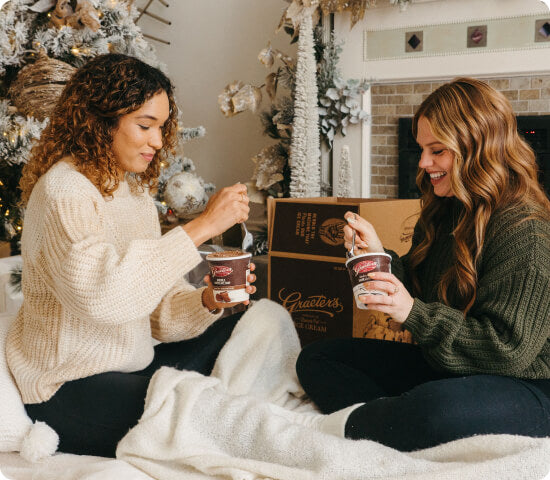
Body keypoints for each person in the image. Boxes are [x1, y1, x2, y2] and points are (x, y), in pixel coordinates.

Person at [6, 53, 256, 458]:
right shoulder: (63, 191)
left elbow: (155, 314)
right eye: (145, 126)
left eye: (162, 127)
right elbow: (103, 298)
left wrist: (207, 301)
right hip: (68, 386)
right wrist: (203, 226)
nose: (158, 142)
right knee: (209, 417)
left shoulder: (135, 194)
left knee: (248, 320)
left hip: (131, 364)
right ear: (100, 122)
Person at [296, 77, 550, 451]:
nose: (424, 163)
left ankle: (381, 425)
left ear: (477, 147)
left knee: (433, 411)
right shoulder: (445, 210)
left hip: (525, 383)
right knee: (317, 358)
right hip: (448, 366)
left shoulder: (525, 231)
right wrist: (378, 258)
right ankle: (391, 424)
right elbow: (418, 291)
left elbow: (508, 350)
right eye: (421, 149)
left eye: (437, 150)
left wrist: (413, 313)